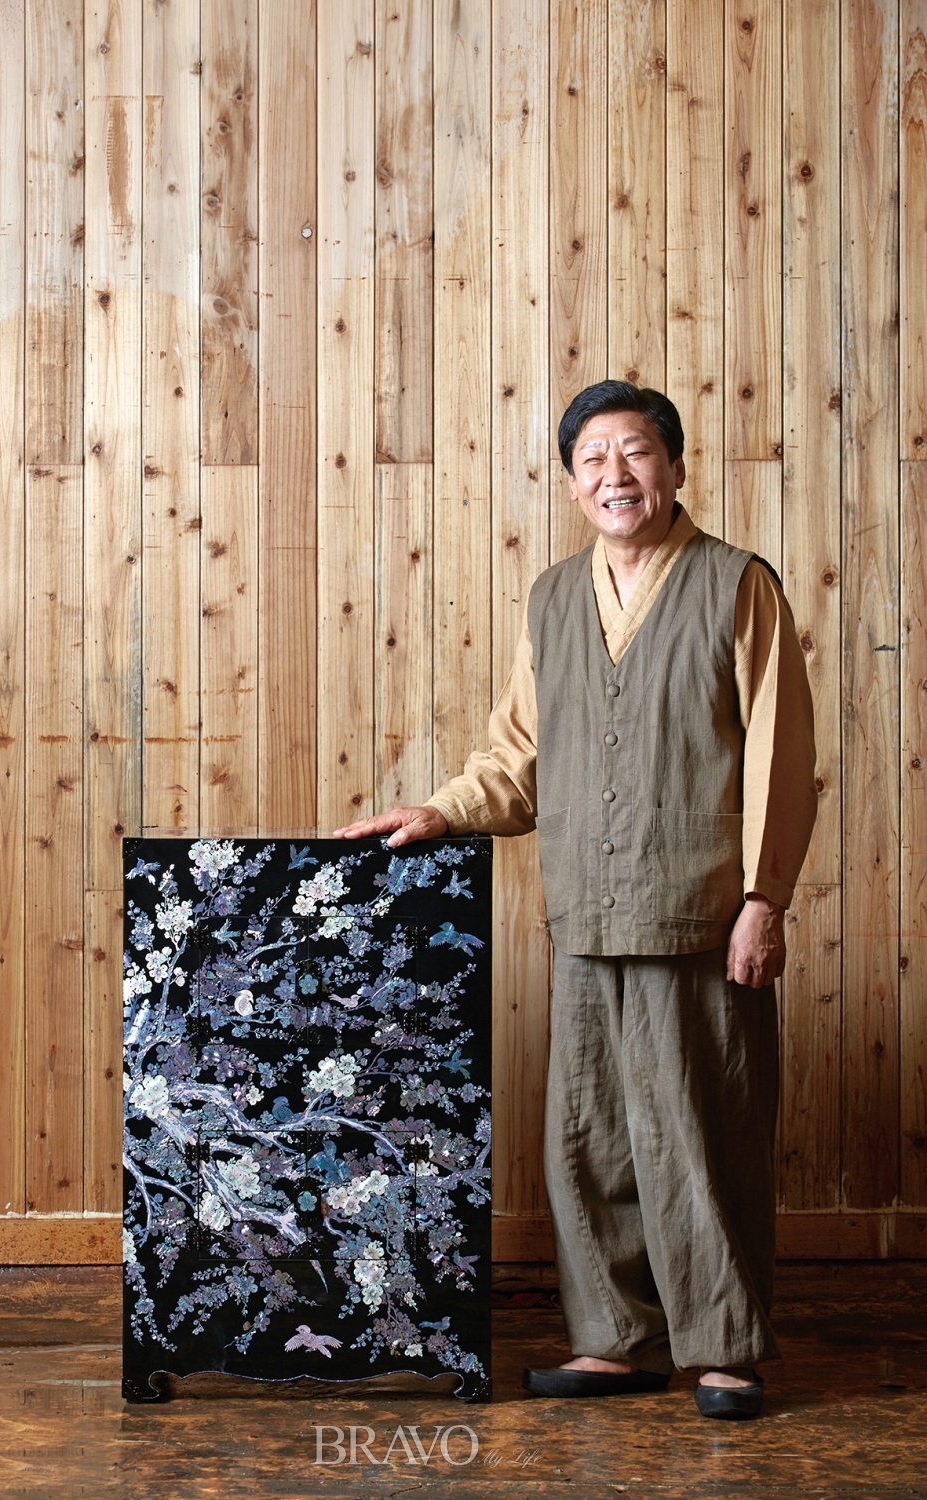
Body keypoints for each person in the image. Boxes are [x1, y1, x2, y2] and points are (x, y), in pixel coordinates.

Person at [335, 381, 817, 1420]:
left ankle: (724, 1349)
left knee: (702, 1137)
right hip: (588, 911)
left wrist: (764, 898)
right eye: (592, 459)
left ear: (674, 467)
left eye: (635, 453)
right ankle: (617, 1341)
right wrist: (442, 811)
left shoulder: (736, 583)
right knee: (590, 1141)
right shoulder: (553, 596)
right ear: (569, 484)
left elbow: (781, 755)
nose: (615, 475)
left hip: (698, 911)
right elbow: (517, 755)